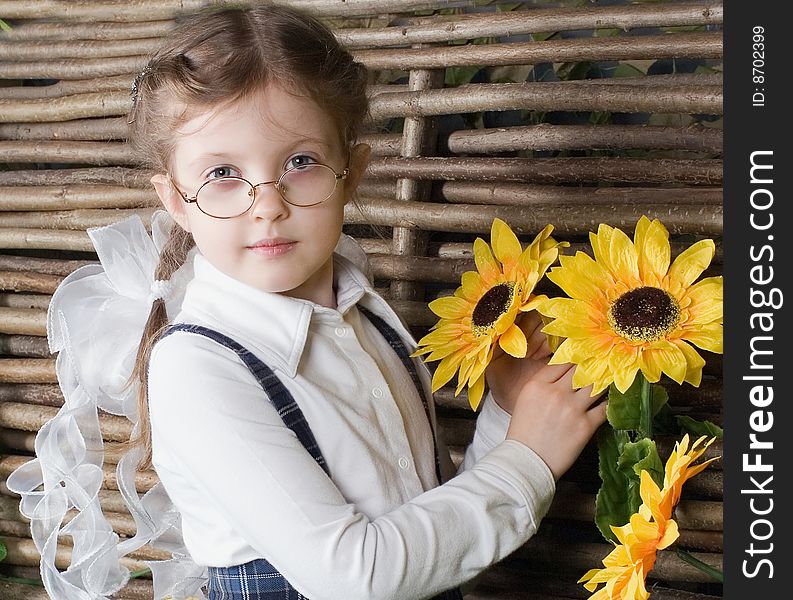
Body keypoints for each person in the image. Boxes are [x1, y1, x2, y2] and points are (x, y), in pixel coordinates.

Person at [8, 4, 606, 600]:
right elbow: (355, 576)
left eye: (299, 162)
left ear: (352, 171)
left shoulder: (369, 319)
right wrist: (528, 460)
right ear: (175, 200)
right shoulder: (196, 367)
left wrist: (507, 414)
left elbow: (437, 544)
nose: (267, 203)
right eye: (221, 173)